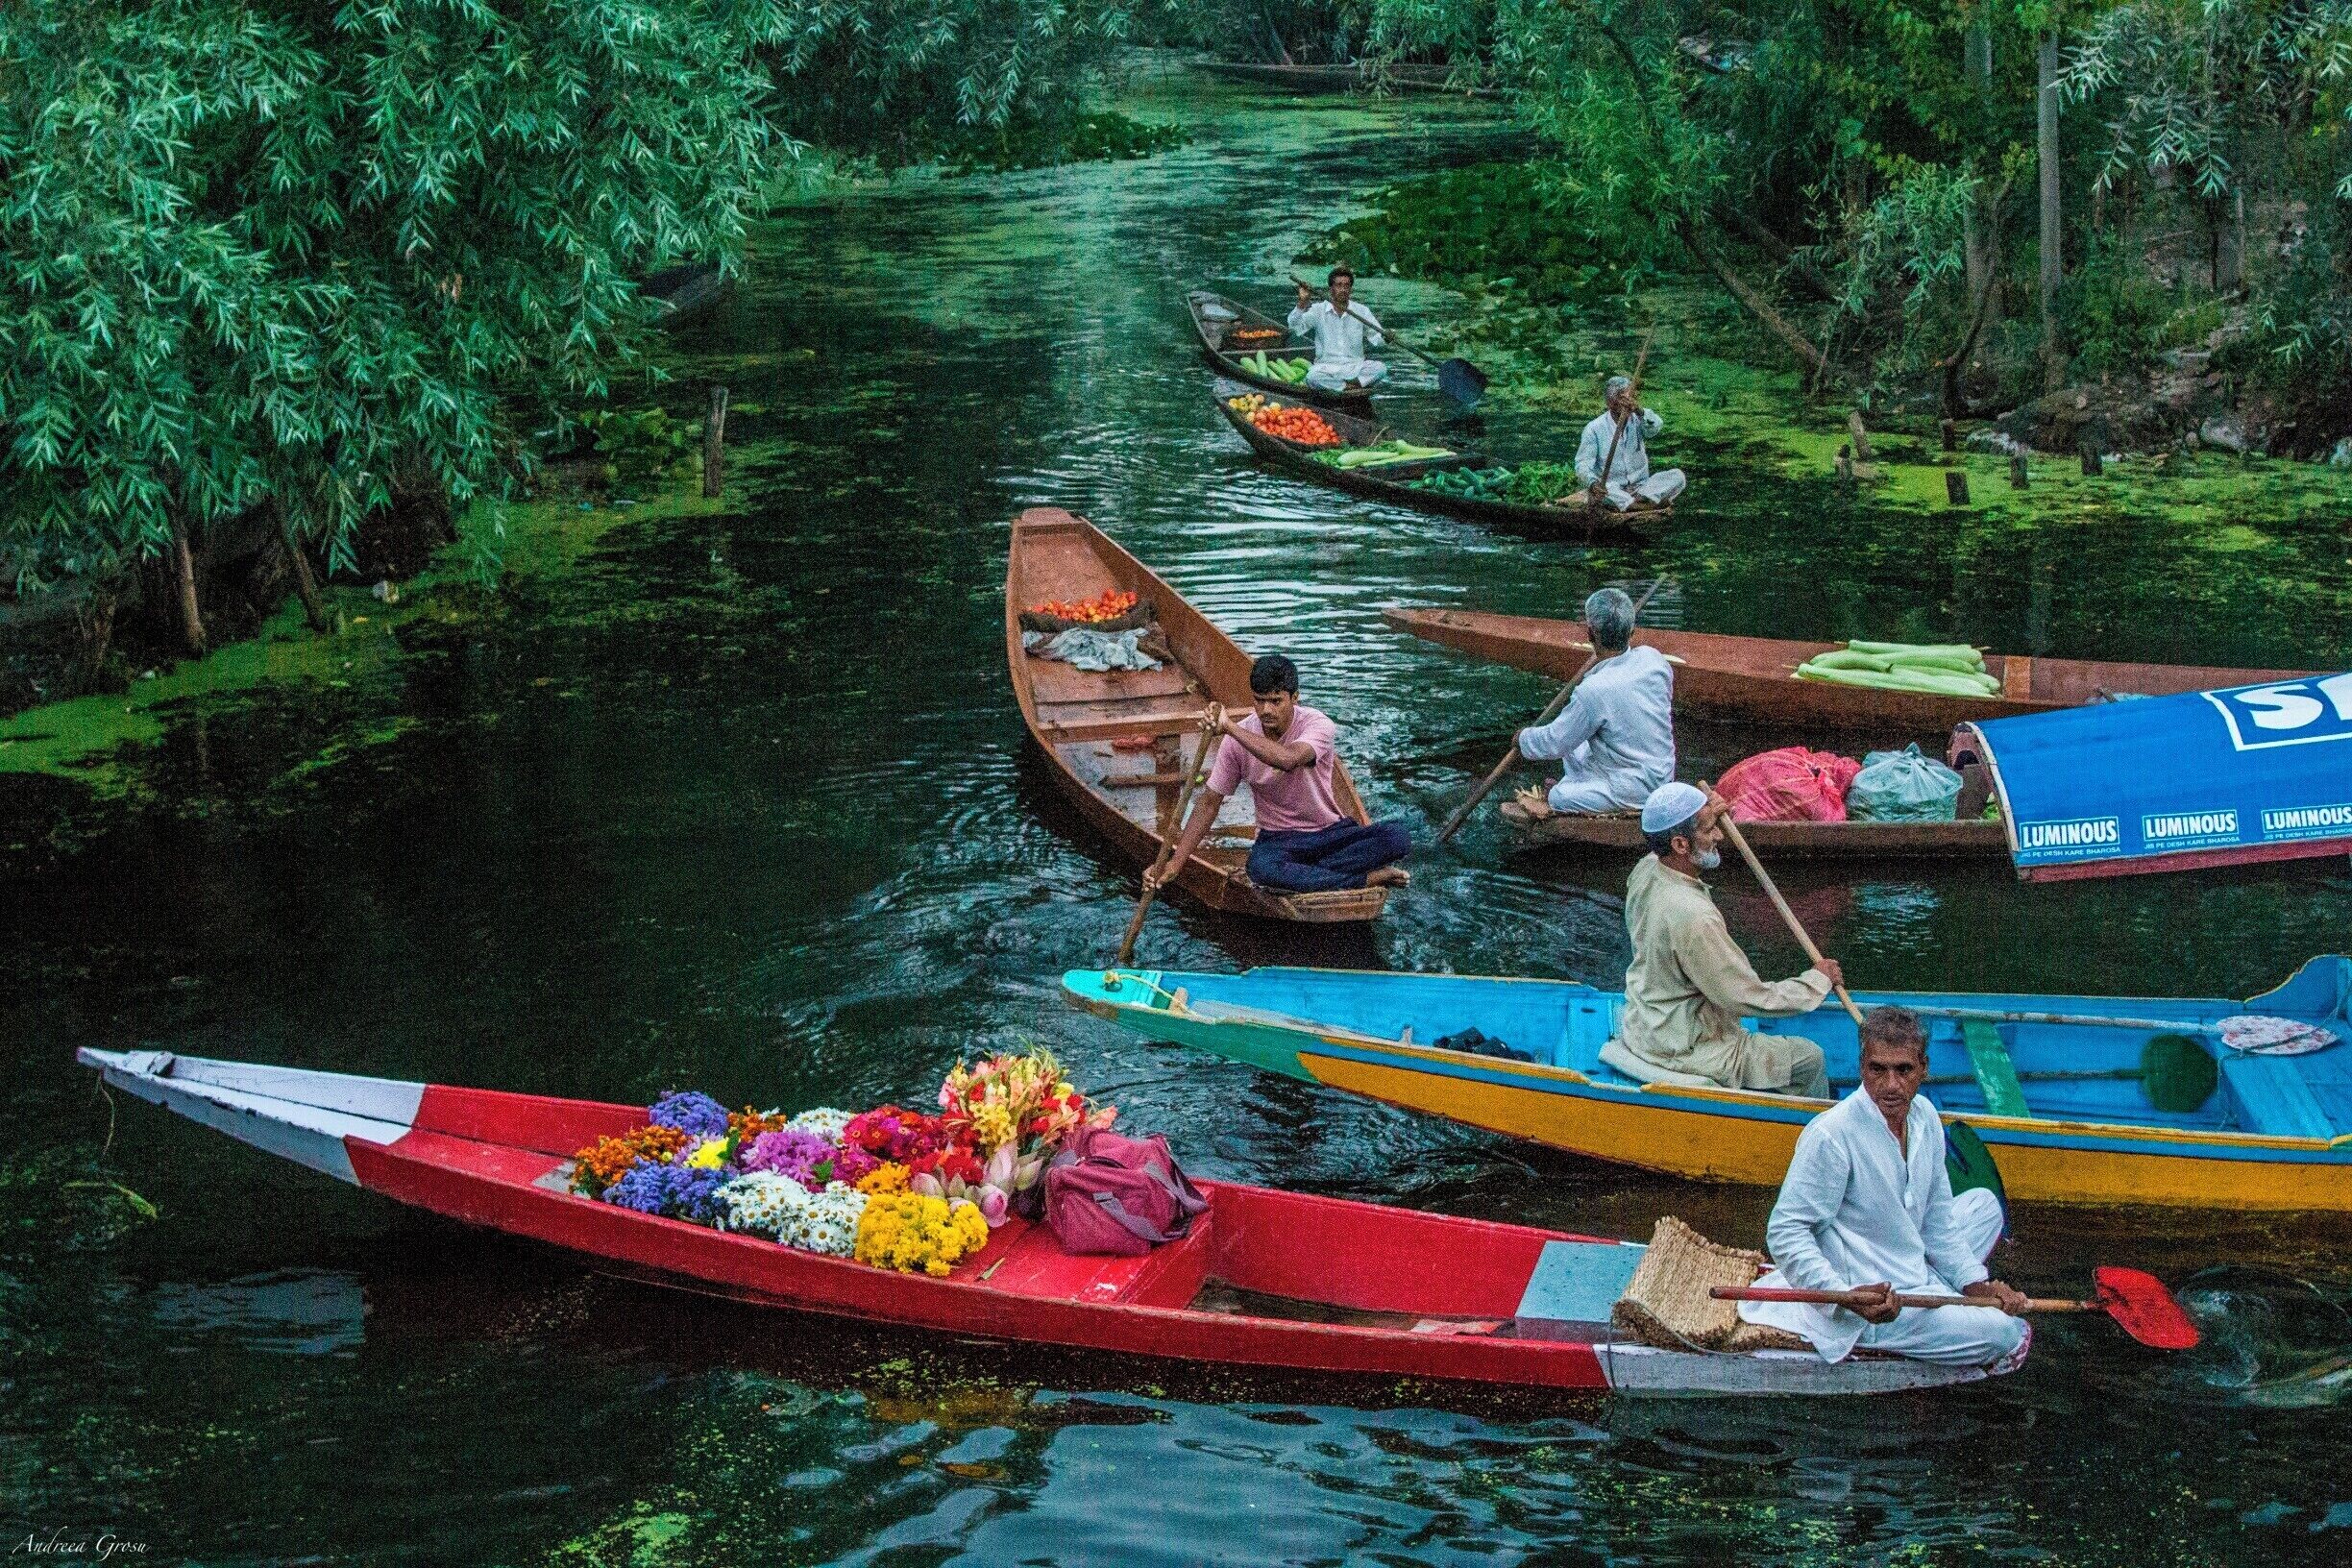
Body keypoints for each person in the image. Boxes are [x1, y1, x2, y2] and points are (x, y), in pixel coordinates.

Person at [1738, 1006, 2030, 1371]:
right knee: (2004, 1334)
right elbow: (1785, 1231)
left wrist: (1976, 1286)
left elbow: (1937, 1220)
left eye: (1903, 1070)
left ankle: (1942, 1288)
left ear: (1923, 1068)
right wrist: (1844, 1297)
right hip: (1866, 1306)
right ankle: (1928, 1305)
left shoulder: (1924, 1117)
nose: (1891, 1085)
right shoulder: (1832, 1134)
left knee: (1984, 1206)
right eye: (1878, 1069)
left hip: (1910, 1270)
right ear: (1863, 1068)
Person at [1605, 781, 1837, 1095]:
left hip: (1649, 1022)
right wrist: (1817, 982)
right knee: (1809, 1059)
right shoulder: (1694, 916)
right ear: (1680, 845)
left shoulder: (1646, 869)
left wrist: (1709, 807)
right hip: (1685, 1047)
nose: (1719, 835)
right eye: (1709, 829)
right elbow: (1746, 997)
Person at [1149, 654, 1411, 895]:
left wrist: (1228, 726)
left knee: (1397, 837)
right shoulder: (1237, 739)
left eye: (1276, 701)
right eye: (1259, 700)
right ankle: (1363, 879)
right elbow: (1209, 803)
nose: (1266, 711)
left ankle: (1311, 876)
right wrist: (1175, 863)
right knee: (1261, 869)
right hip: (1279, 840)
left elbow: (1288, 759)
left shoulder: (1317, 725)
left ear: (1294, 698)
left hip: (1329, 832)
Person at [1510, 587, 1676, 816]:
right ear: (1632, 632)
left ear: (1590, 634)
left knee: (1559, 796)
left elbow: (1554, 742)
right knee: (1575, 743)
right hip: (1661, 772)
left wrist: (1523, 738)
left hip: (1637, 790)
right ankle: (1587, 784)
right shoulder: (1655, 660)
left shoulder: (1592, 691)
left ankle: (1578, 790)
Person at [1576, 375, 1687, 510]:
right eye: (1622, 398)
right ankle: (1640, 506)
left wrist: (1639, 411)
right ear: (1610, 402)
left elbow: (1656, 427)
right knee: (1605, 492)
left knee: (1678, 476)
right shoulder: (1594, 428)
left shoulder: (1638, 418)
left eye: (1630, 397)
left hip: (1641, 487)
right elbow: (1582, 464)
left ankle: (1638, 503)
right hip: (1613, 488)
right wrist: (1594, 484)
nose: (1628, 402)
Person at [1288, 267, 1387, 393]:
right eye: (1339, 285)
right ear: (1331, 289)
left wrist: (1386, 337)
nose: (1343, 289)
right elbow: (1294, 326)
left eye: (1347, 286)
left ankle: (1343, 386)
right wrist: (1302, 302)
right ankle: (1348, 387)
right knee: (1312, 377)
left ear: (1350, 289)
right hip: (1327, 368)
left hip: (1355, 367)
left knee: (1380, 368)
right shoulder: (1318, 310)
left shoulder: (1361, 311)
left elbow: (1377, 338)